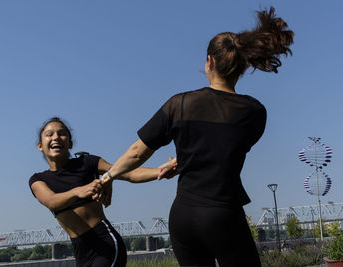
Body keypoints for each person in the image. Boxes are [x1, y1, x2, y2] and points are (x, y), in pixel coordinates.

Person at [98, 7, 294, 267]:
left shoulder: (179, 104)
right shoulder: (254, 112)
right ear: (244, 66)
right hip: (223, 214)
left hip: (183, 217)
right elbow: (225, 148)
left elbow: (136, 152)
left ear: (209, 62)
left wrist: (108, 177)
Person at [28, 117, 177, 267]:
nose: (55, 137)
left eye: (61, 134)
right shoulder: (38, 180)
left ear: (70, 143)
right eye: (49, 134)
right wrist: (79, 191)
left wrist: (160, 170)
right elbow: (51, 201)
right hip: (81, 253)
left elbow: (127, 173)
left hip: (106, 244)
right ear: (40, 146)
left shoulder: (86, 162)